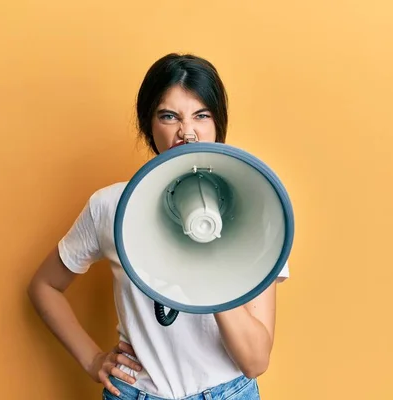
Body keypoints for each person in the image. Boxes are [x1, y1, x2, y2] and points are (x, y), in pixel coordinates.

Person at [27, 53, 290, 400]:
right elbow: (44, 286)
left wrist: (211, 254)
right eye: (169, 116)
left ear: (218, 123)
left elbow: (255, 361)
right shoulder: (112, 207)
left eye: (201, 115)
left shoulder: (258, 208)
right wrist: (92, 359)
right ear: (148, 124)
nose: (187, 131)